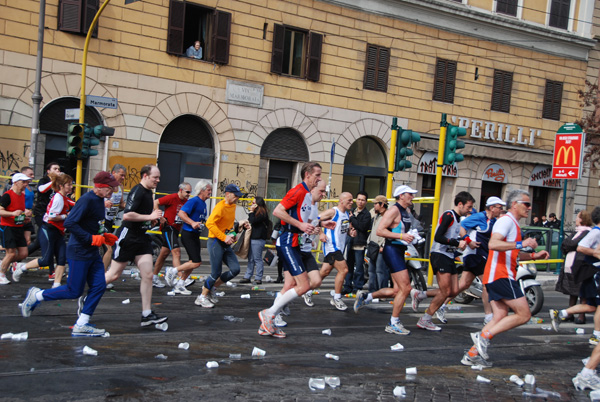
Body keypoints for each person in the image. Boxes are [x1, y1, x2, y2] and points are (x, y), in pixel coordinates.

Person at [20, 172, 120, 336]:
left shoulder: (100, 200)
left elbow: (93, 223)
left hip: (91, 251)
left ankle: (82, 324)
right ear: (100, 187)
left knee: (99, 286)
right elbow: (70, 223)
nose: (113, 191)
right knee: (74, 291)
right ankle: (37, 295)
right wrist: (90, 237)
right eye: (110, 188)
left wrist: (103, 234)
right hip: (78, 251)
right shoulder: (86, 200)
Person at [466, 189, 548, 366]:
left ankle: (472, 354)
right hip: (501, 274)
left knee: (499, 316)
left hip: (497, 274)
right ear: (514, 204)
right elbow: (493, 244)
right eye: (526, 204)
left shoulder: (514, 224)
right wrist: (521, 243)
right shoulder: (506, 221)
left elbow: (513, 253)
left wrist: (534, 256)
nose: (529, 207)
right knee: (524, 314)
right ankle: (483, 337)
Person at [257, 162, 333, 338]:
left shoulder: (306, 195)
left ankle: (268, 323)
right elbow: (277, 211)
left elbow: (303, 220)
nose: (320, 179)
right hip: (287, 242)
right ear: (307, 175)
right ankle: (269, 313)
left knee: (298, 284)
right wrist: (300, 225)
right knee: (303, 285)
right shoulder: (298, 191)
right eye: (317, 175)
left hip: (295, 243)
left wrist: (318, 225)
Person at [105, 165, 168, 327]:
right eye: (155, 177)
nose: (158, 180)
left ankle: (146, 314)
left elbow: (142, 215)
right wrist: (150, 215)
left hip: (141, 238)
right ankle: (88, 294)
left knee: (147, 275)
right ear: (145, 176)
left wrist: (153, 219)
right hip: (128, 237)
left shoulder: (148, 192)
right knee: (113, 275)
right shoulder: (137, 191)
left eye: (159, 177)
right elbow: (127, 214)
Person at [353, 185, 419, 336]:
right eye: (410, 194)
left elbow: (403, 229)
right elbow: (380, 230)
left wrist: (412, 235)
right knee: (406, 288)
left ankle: (366, 297)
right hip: (392, 251)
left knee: (397, 290)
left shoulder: (406, 211)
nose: (413, 197)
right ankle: (393, 323)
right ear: (401, 196)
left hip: (399, 250)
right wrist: (402, 237)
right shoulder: (394, 210)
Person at [436, 196, 505, 326]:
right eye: (499, 208)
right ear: (492, 207)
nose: (501, 210)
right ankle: (488, 316)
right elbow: (461, 226)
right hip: (475, 255)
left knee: (463, 285)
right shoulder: (479, 217)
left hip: (482, 255)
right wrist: (468, 241)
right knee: (487, 284)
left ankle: (440, 306)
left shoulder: (495, 221)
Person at [413, 191, 475, 331]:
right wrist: (455, 243)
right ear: (460, 204)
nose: (470, 210)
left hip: (449, 256)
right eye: (468, 207)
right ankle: (426, 319)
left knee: (453, 291)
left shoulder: (459, 219)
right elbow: (438, 237)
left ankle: (420, 294)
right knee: (445, 291)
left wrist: (463, 242)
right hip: (439, 255)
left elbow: (452, 237)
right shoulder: (449, 216)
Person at [270, 180, 329, 327]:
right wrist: (304, 228)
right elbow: (289, 219)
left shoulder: (314, 207)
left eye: (324, 192)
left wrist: (319, 228)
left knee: (315, 282)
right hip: (292, 246)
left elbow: (311, 225)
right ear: (313, 189)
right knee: (291, 284)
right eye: (321, 191)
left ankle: (282, 302)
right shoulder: (303, 198)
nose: (323, 195)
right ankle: (274, 311)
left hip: (305, 249)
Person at [13, 174, 75, 288]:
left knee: (62, 258)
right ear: (61, 186)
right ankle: (21, 268)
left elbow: (76, 204)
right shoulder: (58, 198)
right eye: (69, 184)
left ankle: (56, 285)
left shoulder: (64, 197)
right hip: (49, 230)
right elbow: (51, 217)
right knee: (46, 260)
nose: (71, 187)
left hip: (58, 232)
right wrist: (65, 216)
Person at [550, 207, 600, 345]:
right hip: (594, 272)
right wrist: (596, 254)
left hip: (592, 272)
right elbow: (581, 247)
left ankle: (561, 314)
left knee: (591, 306)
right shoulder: (595, 232)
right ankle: (596, 336)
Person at [194, 183, 244, 308]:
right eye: (235, 195)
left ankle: (211, 288)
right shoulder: (220, 207)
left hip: (224, 242)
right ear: (227, 194)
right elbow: (210, 224)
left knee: (235, 269)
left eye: (238, 196)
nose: (237, 198)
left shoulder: (232, 206)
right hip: (215, 241)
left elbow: (227, 226)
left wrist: (232, 234)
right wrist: (224, 237)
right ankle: (202, 297)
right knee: (216, 272)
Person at [164, 180, 211, 296]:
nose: (211, 192)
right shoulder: (194, 201)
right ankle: (173, 270)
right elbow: (181, 213)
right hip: (188, 234)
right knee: (196, 262)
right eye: (209, 190)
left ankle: (180, 285)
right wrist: (192, 223)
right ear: (202, 190)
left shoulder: (203, 203)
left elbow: (200, 219)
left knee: (192, 262)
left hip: (195, 235)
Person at [318, 192, 356, 311]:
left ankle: (307, 290)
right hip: (331, 246)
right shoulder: (333, 212)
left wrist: (351, 232)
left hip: (339, 247)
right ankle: (337, 297)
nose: (352, 202)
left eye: (352, 200)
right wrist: (321, 233)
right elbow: (315, 219)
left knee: (325, 272)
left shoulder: (346, 214)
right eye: (349, 200)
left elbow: (343, 229)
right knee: (344, 270)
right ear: (341, 201)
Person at [554, 210, 592, 324]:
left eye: (578, 217)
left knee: (581, 291)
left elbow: (571, 244)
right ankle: (570, 313)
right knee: (572, 291)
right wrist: (569, 245)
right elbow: (565, 244)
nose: (576, 219)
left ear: (582, 219)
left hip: (581, 265)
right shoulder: (576, 232)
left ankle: (581, 316)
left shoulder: (587, 232)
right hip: (572, 264)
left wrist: (570, 245)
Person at [153, 182, 191, 289]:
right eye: (187, 192)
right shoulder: (173, 197)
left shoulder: (186, 202)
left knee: (163, 254)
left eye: (190, 192)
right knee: (176, 252)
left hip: (176, 229)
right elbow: (156, 202)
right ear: (180, 190)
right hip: (168, 227)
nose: (189, 194)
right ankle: (181, 277)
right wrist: (160, 216)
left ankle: (154, 277)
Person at [29, 162, 61, 278]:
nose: (58, 171)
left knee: (39, 242)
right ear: (48, 171)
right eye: (55, 169)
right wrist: (53, 181)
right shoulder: (44, 180)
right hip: (41, 214)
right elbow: (41, 189)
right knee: (49, 240)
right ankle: (52, 272)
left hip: (51, 215)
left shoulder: (58, 184)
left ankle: (17, 258)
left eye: (59, 169)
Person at [0, 173, 31, 284]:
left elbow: (19, 212)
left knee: (23, 253)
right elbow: (1, 211)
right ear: (16, 182)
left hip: (19, 227)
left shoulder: (22, 196)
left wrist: (25, 218)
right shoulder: (7, 195)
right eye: (24, 182)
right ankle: (1, 274)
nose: (26, 184)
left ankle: (4, 262)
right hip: (7, 227)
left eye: (27, 182)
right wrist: (12, 213)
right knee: (11, 253)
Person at [343, 191, 371, 293]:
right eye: (358, 199)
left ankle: (357, 287)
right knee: (348, 266)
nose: (360, 202)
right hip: (350, 241)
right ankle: (347, 286)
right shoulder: (352, 210)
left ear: (366, 202)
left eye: (363, 200)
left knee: (359, 267)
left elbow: (362, 227)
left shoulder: (366, 214)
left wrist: (352, 219)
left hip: (360, 243)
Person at [102, 164, 127, 270]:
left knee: (104, 248)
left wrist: (133, 206)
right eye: (121, 175)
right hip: (101, 220)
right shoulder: (105, 185)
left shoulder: (120, 187)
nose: (123, 178)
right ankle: (103, 276)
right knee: (109, 249)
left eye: (124, 176)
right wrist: (104, 203)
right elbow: (95, 200)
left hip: (110, 221)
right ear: (113, 173)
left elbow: (121, 204)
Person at [240, 196, 270, 284]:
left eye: (254, 203)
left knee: (257, 259)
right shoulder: (258, 213)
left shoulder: (262, 214)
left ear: (258, 204)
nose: (252, 204)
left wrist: (252, 212)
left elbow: (252, 220)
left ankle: (258, 277)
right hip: (254, 238)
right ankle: (247, 276)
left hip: (258, 239)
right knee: (251, 259)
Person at [366, 195, 389, 292]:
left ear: (382, 204)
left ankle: (382, 292)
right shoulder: (376, 215)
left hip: (381, 247)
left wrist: (383, 245)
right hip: (373, 245)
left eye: (376, 203)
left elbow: (388, 231)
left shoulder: (388, 216)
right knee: (371, 270)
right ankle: (373, 291)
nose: (374, 206)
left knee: (380, 271)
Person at [20, 167, 36, 246]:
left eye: (33, 174)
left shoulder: (29, 187)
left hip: (28, 216)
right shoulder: (21, 187)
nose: (33, 176)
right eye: (30, 174)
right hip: (21, 214)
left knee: (27, 241)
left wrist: (35, 208)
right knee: (17, 241)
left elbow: (30, 201)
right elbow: (18, 200)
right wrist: (24, 210)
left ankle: (17, 257)